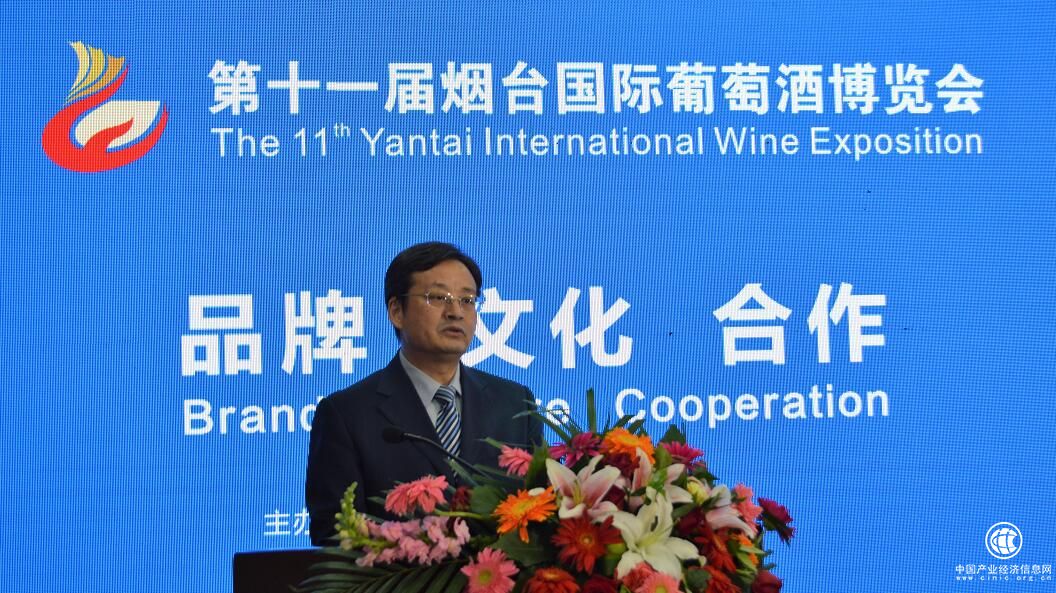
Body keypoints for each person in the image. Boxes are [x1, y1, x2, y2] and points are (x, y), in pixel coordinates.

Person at [305, 242, 542, 545]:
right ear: (396, 311)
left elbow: (541, 509)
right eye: (438, 298)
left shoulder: (514, 403)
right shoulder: (346, 414)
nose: (455, 312)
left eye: (467, 300)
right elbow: (334, 533)